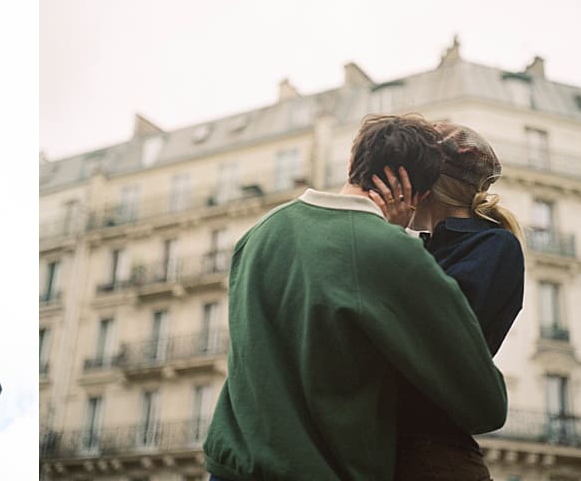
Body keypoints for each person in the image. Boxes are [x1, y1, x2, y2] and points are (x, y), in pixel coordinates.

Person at [203, 114, 507, 481]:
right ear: (420, 194)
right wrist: (390, 238)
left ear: (351, 163)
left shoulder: (260, 232)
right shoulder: (394, 254)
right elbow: (485, 405)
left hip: (227, 468)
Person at [372, 125, 524, 481]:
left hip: (432, 447)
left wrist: (391, 237)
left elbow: (435, 331)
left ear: (423, 184)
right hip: (392, 442)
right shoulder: (428, 244)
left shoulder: (493, 245)